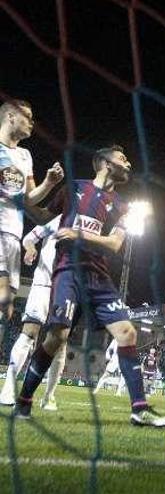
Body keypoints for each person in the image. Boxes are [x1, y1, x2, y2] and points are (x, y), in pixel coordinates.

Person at [12, 145, 165, 427]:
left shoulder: (122, 206)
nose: (129, 164)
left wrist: (78, 233)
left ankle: (139, 409)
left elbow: (114, 244)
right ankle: (24, 399)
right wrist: (37, 189)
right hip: (67, 272)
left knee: (127, 333)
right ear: (105, 163)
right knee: (56, 337)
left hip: (99, 277)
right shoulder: (74, 188)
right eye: (123, 159)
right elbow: (40, 216)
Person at [0, 99, 65, 403]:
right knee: (13, 311)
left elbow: (29, 198)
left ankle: (46, 395)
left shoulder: (24, 156)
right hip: (5, 236)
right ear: (10, 116)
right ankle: (10, 388)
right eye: (27, 117)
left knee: (6, 303)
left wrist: (49, 184)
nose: (32, 123)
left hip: (13, 232)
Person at [0, 216, 65, 410]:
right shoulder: (57, 220)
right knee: (28, 333)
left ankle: (49, 396)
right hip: (42, 284)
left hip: (66, 288)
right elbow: (29, 237)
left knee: (60, 341)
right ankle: (8, 390)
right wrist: (30, 248)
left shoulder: (90, 226)